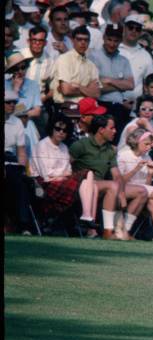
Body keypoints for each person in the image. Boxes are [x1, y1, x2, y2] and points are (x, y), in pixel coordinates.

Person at [69, 114, 146, 240]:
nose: (115, 131)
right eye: (112, 128)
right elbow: (67, 166)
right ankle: (107, 231)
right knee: (112, 186)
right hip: (83, 186)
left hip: (103, 186)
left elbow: (117, 175)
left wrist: (121, 193)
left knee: (142, 191)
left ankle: (122, 231)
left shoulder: (110, 149)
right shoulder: (80, 145)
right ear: (101, 130)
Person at [29, 114, 99, 228]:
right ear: (51, 128)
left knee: (93, 186)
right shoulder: (42, 145)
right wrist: (61, 175)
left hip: (60, 182)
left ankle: (89, 220)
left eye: (65, 130)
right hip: (43, 186)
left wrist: (60, 175)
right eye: (58, 129)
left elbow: (69, 171)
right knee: (88, 173)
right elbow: (46, 174)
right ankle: (87, 217)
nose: (61, 132)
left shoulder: (64, 147)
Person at [89, 23, 134, 135]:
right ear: (104, 38)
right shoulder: (93, 56)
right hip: (100, 104)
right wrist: (120, 87)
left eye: (116, 40)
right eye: (109, 39)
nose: (112, 44)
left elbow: (131, 85)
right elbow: (95, 87)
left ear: (120, 41)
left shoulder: (124, 61)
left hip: (118, 108)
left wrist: (110, 81)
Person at [4, 89, 33, 235]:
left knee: (21, 184)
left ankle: (24, 225)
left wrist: (23, 170)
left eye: (14, 102)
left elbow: (21, 152)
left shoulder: (17, 123)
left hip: (10, 161)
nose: (12, 105)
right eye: (8, 102)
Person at [50, 25, 101, 105]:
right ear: (73, 41)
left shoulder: (91, 65)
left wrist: (78, 87)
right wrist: (88, 89)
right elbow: (66, 90)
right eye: (79, 39)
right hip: (66, 107)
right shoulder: (64, 59)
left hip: (86, 108)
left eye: (86, 40)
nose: (83, 42)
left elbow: (96, 94)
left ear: (89, 42)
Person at [4, 52, 42, 157]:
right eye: (16, 68)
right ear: (11, 70)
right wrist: (16, 89)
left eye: (23, 67)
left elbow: (37, 111)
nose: (20, 71)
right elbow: (8, 111)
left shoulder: (33, 85)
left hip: (27, 125)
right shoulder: (5, 84)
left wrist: (21, 114)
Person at [119, 14, 153, 108]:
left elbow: (148, 84)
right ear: (124, 28)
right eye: (131, 27)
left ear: (141, 32)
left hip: (134, 107)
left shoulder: (146, 56)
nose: (134, 31)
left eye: (137, 29)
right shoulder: (114, 49)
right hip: (112, 103)